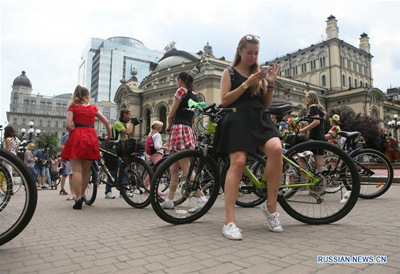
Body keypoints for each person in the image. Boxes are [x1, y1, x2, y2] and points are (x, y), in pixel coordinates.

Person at [216, 34, 283, 240]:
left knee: (277, 149)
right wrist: (246, 84)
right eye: (249, 53)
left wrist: (270, 83)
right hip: (236, 119)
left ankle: (270, 207)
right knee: (238, 162)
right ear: (239, 51)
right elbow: (225, 101)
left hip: (258, 119)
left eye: (256, 53)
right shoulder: (229, 72)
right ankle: (229, 221)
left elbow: (265, 105)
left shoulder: (258, 74)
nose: (253, 57)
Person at [61, 85, 112, 210]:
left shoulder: (72, 107)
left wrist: (74, 130)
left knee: (76, 170)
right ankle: (82, 195)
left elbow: (68, 125)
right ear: (86, 95)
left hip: (77, 135)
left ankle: (78, 198)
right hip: (90, 136)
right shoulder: (93, 108)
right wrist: (109, 136)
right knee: (85, 171)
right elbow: (106, 122)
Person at [163, 71, 208, 213]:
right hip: (187, 128)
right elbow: (194, 115)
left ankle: (201, 198)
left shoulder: (181, 91)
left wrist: (169, 125)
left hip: (178, 128)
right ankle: (170, 200)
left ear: (180, 80)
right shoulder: (193, 95)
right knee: (174, 168)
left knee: (185, 166)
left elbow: (172, 112)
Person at [107, 108, 140, 199]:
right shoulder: (118, 123)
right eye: (129, 115)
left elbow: (131, 135)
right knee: (113, 171)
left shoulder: (126, 124)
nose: (130, 116)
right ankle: (108, 191)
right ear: (124, 115)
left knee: (124, 171)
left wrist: (134, 125)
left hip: (123, 149)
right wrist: (132, 123)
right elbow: (127, 132)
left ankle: (123, 192)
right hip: (115, 148)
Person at [299, 91, 326, 171]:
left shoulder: (313, 107)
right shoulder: (319, 107)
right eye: (306, 97)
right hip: (320, 136)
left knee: (302, 158)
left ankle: (305, 180)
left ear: (313, 98)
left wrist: (303, 129)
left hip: (315, 137)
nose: (306, 99)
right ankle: (323, 181)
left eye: (308, 97)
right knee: (319, 164)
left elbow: (316, 122)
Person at [59, 133, 73, 199]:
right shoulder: (66, 136)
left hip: (69, 156)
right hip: (66, 157)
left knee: (69, 174)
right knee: (66, 173)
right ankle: (62, 189)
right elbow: (62, 147)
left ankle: (63, 189)